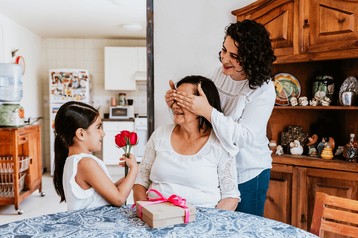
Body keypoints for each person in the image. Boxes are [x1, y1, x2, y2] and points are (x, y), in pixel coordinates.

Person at [165, 20, 276, 216]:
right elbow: (200, 113)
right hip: (220, 166)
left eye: (234, 56)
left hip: (247, 171)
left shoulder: (264, 90)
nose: (224, 59)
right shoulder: (220, 74)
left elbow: (243, 136)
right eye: (224, 50)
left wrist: (207, 110)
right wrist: (178, 103)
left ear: (251, 59)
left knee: (244, 231)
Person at [133, 75, 240, 210]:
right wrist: (147, 213)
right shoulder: (160, 135)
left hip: (202, 222)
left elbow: (230, 197)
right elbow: (140, 183)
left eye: (184, 100)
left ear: (203, 105)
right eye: (175, 98)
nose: (176, 105)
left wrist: (209, 226)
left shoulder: (219, 143)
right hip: (157, 218)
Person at [53, 101, 138, 211]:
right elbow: (119, 199)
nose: (103, 133)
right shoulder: (86, 163)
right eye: (98, 127)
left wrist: (121, 183)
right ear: (81, 134)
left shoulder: (72, 161)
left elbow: (95, 196)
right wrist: (134, 169)